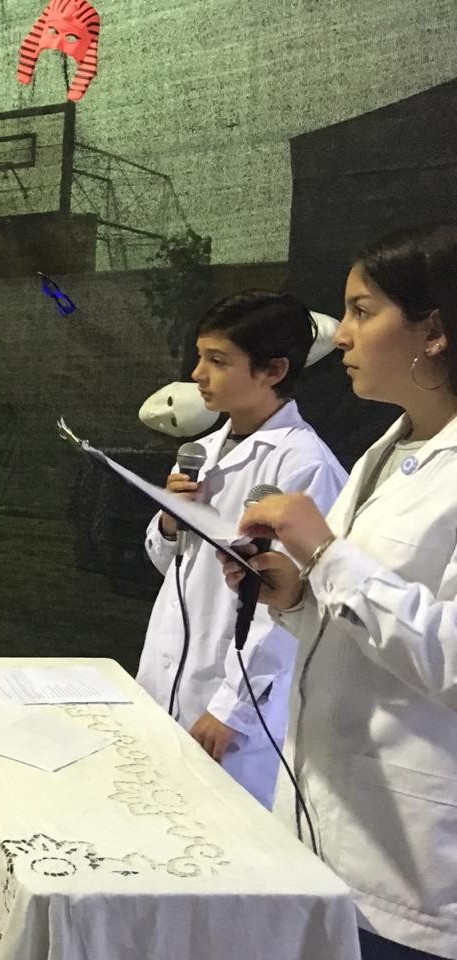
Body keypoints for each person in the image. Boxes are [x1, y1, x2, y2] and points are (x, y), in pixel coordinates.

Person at [221, 223, 457, 960]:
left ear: (433, 331)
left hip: (413, 871)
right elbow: (364, 627)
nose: (342, 335)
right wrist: (293, 596)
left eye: (361, 311)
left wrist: (325, 553)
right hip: (322, 828)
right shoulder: (385, 453)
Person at [137, 292, 347, 807]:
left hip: (234, 707)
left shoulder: (304, 465)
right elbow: (169, 567)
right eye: (200, 357)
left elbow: (292, 604)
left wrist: (233, 709)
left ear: (273, 370)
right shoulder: (200, 453)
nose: (197, 375)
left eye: (217, 360)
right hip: (168, 676)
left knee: (220, 829)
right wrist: (169, 520)